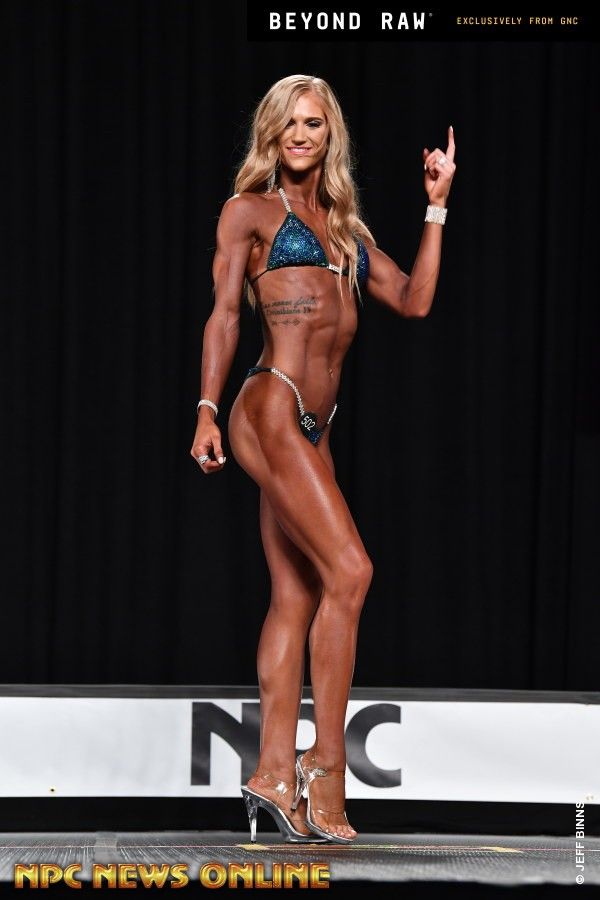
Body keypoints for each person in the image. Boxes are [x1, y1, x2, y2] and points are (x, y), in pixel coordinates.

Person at [190, 74, 456, 844]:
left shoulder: (346, 233)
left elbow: (415, 299)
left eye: (313, 123)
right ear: (272, 135)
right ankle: (326, 766)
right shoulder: (250, 212)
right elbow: (224, 315)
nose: (300, 135)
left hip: (316, 426)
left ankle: (272, 770)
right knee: (352, 571)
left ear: (329, 134)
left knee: (298, 593)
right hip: (268, 404)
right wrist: (206, 409)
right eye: (289, 124)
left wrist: (437, 204)